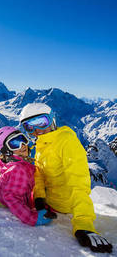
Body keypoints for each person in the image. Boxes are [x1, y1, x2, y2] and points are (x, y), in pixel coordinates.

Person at [20, 103, 113, 253]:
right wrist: (39, 199)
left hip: (66, 205)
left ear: (52, 120)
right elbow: (40, 175)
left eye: (42, 122)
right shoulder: (41, 144)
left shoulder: (66, 141)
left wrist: (84, 225)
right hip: (50, 203)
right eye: (29, 126)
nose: (37, 130)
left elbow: (79, 184)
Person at [0, 126, 55, 226]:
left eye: (22, 139)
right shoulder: (18, 169)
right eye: (14, 144)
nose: (22, 145)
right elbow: (11, 197)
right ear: (7, 151)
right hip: (22, 202)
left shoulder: (16, 163)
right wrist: (32, 218)